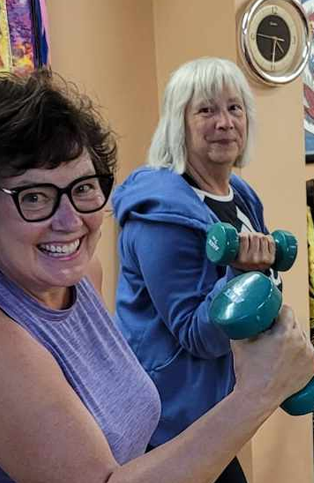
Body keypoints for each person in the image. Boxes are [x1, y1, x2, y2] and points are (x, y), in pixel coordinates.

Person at [0, 69, 314, 483]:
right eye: (35, 197)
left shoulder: (79, 278)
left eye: (83, 188)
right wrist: (259, 392)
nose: (71, 220)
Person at [111, 57, 287, 482]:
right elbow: (197, 334)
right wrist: (241, 275)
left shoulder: (240, 195)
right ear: (180, 123)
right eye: (206, 110)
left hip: (216, 407)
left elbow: (263, 288)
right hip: (169, 423)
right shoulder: (160, 219)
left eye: (234, 108)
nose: (224, 122)